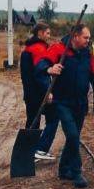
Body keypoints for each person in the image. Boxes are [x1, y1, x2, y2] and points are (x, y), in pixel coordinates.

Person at [34, 24, 94, 187]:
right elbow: (39, 66)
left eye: (89, 38)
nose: (89, 41)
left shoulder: (88, 54)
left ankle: (63, 169)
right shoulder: (59, 49)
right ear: (75, 36)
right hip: (62, 102)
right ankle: (76, 172)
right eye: (85, 38)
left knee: (73, 138)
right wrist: (50, 69)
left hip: (80, 103)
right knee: (73, 136)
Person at [19, 22, 59, 161]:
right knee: (54, 117)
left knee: (32, 122)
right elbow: (40, 73)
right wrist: (47, 92)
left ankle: (26, 154)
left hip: (29, 94)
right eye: (47, 33)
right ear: (40, 33)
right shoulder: (38, 49)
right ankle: (40, 150)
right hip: (39, 94)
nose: (49, 36)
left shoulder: (28, 48)